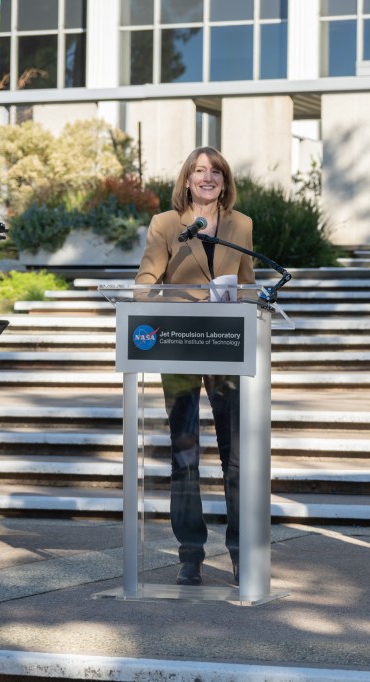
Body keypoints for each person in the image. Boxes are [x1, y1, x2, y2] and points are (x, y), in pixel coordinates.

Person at [135, 146, 255, 586]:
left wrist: (250, 299)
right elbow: (149, 275)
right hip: (180, 344)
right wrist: (143, 296)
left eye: (215, 172)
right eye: (199, 171)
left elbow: (247, 283)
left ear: (224, 181)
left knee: (237, 457)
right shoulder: (166, 224)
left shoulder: (240, 225)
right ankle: (191, 553)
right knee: (185, 453)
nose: (207, 178)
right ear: (186, 180)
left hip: (226, 345)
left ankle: (241, 552)